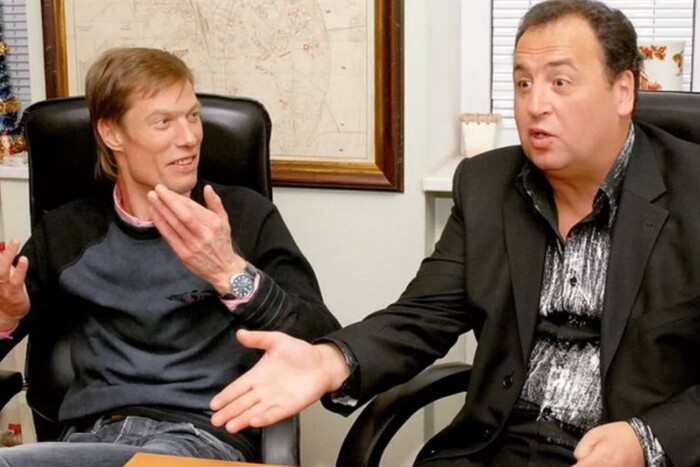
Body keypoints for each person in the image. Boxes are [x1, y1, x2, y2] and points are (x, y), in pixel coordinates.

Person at [207, 1, 700, 466]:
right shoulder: (487, 184)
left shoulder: (692, 191)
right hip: (495, 448)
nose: (535, 105)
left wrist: (648, 439)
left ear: (623, 91)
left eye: (560, 82)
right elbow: (422, 316)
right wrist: (330, 360)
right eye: (523, 83)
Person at [0, 47, 339, 466]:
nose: (190, 137)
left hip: (204, 438)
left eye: (192, 116)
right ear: (112, 133)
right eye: (164, 122)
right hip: (94, 438)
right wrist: (6, 317)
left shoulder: (246, 217)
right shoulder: (67, 231)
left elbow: (322, 338)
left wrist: (230, 272)